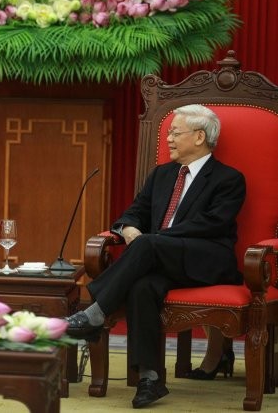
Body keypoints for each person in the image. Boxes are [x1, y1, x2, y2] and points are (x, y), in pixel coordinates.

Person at [65, 104, 245, 409]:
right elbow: (133, 213)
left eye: (175, 132)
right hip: (160, 259)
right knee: (141, 287)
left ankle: (95, 313)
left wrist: (151, 240)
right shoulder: (162, 175)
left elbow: (211, 224)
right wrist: (130, 229)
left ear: (199, 136)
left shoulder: (228, 179)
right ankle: (150, 378)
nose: (169, 139)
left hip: (206, 260)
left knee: (148, 245)